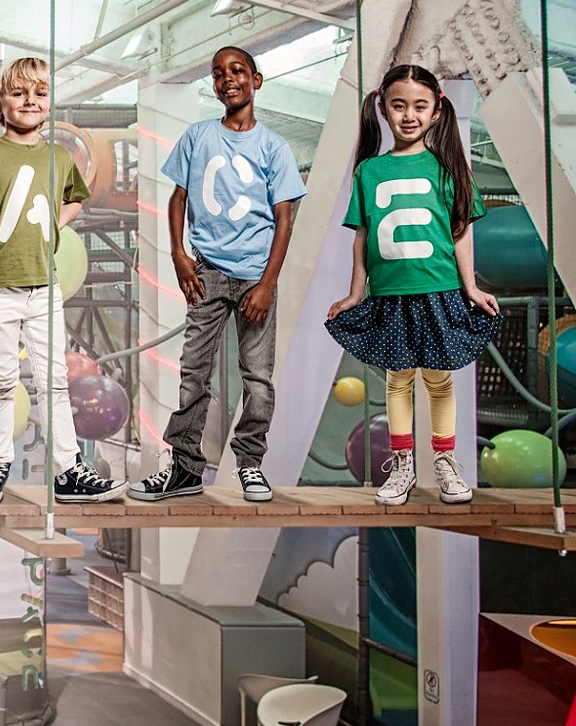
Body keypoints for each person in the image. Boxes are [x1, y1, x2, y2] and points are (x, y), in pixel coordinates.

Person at [0, 56, 124, 505]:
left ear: (49, 104)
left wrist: (55, 225)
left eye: (40, 93)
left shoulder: (57, 158)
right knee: (0, 379)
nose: (30, 101)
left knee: (53, 380)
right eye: (19, 92)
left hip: (43, 287)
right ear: (0, 104)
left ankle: (68, 470)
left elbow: (77, 202)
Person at [134, 46, 305, 503]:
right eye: (218, 74)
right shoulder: (198, 136)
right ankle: (185, 468)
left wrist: (267, 283)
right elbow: (178, 197)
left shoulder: (274, 147)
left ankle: (250, 464)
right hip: (206, 271)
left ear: (256, 80)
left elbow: (284, 218)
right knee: (193, 374)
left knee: (258, 378)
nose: (227, 79)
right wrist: (177, 253)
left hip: (254, 277)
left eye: (236, 71)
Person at [326, 63, 500, 506]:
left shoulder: (448, 168)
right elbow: (363, 236)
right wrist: (355, 292)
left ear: (436, 112)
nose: (409, 115)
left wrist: (471, 287)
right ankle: (403, 464)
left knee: (439, 380)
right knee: (398, 379)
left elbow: (460, 231)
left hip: (439, 288)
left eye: (419, 106)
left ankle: (445, 462)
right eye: (399, 105)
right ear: (383, 109)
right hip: (391, 293)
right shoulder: (369, 171)